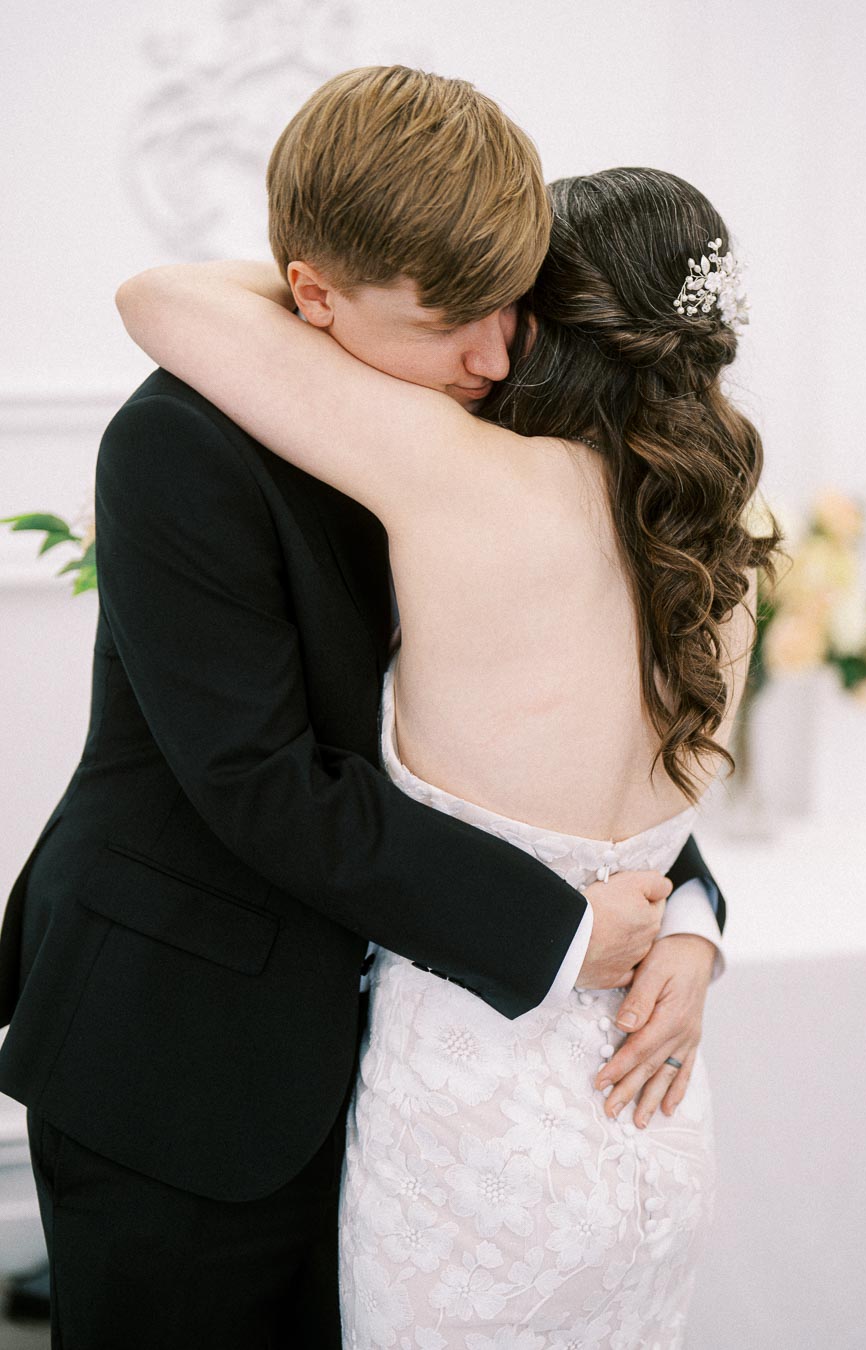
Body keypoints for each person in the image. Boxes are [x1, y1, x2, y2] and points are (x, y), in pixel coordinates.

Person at [0, 68, 729, 1349]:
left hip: (396, 1081)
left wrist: (691, 912)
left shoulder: (486, 429)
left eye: (510, 307)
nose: (495, 357)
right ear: (313, 293)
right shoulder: (177, 445)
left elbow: (561, 731)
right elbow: (261, 782)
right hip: (188, 1049)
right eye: (449, 320)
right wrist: (563, 929)